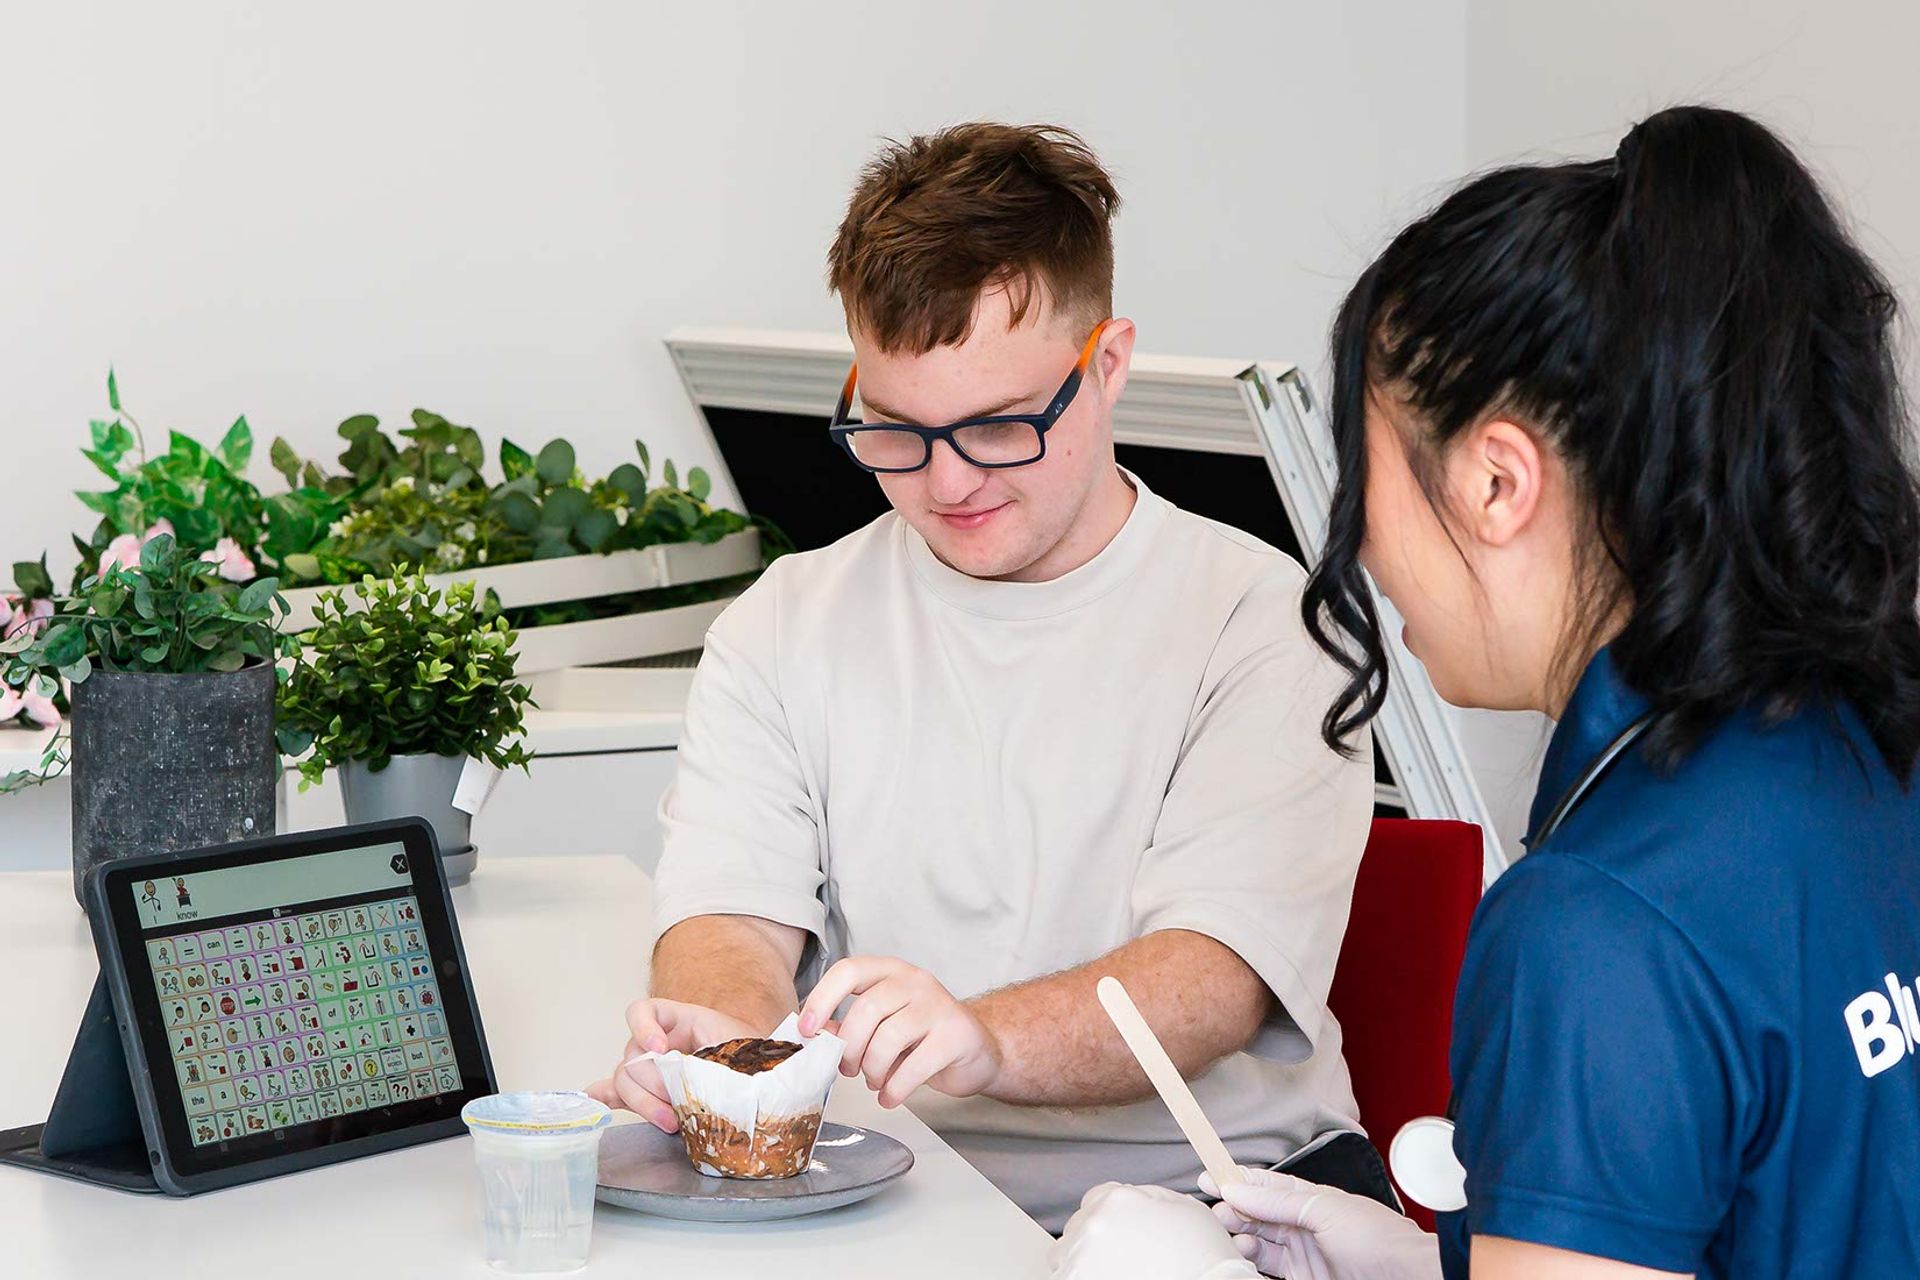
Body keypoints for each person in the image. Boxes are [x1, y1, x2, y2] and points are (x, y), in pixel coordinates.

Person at [1055, 104, 1920, 1277]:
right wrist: (1432, 1259)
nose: (1355, 548)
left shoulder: (1599, 923)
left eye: (1367, 481)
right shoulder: (1867, 744)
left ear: (1497, 480)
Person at [584, 122, 1380, 1230]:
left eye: (1000, 425)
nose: (948, 479)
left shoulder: (1267, 623)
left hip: (1223, 1194)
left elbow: (1211, 979)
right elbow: (732, 917)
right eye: (896, 428)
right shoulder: (783, 624)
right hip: (894, 1197)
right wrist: (723, 1053)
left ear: (1106, 365)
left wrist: (985, 1036)